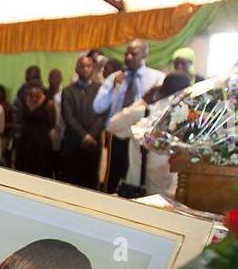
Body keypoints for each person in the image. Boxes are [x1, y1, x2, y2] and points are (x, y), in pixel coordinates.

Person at [105, 71, 192, 197]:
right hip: (171, 192)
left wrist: (143, 100)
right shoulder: (190, 120)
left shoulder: (144, 113)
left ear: (161, 91)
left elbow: (111, 125)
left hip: (142, 190)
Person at [94, 39, 165, 193]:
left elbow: (160, 109)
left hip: (142, 138)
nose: (128, 57)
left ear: (145, 54)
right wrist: (113, 88)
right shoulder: (115, 78)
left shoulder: (157, 78)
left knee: (135, 179)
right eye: (127, 53)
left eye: (134, 54)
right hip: (117, 135)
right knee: (111, 178)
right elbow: (98, 106)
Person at [59, 55, 107, 190]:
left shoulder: (101, 90)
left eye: (88, 66)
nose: (85, 69)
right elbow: (68, 117)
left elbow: (103, 115)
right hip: (74, 142)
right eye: (82, 67)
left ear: (93, 69)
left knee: (91, 181)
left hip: (94, 142)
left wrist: (91, 135)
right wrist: (84, 136)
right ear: (76, 70)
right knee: (72, 182)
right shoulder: (68, 91)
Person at [12, 83, 56, 178]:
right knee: (23, 171)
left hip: (41, 142)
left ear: (41, 91)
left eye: (36, 93)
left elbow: (52, 123)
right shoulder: (23, 101)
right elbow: (18, 119)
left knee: (40, 170)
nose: (33, 96)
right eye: (31, 93)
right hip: (25, 141)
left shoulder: (48, 103)